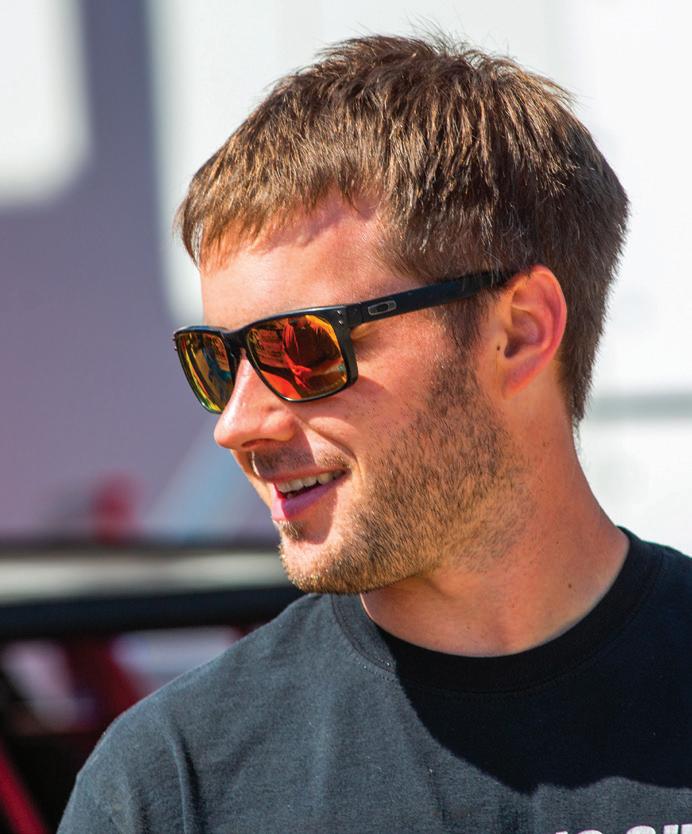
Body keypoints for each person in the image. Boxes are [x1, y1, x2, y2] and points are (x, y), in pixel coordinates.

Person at [59, 34, 692, 833]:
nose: (236, 425)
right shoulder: (172, 786)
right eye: (218, 361)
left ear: (521, 332)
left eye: (302, 348)